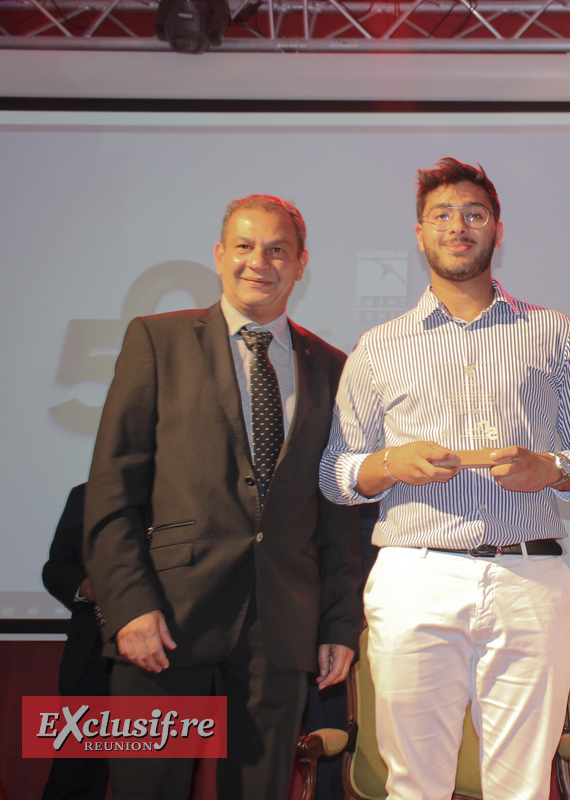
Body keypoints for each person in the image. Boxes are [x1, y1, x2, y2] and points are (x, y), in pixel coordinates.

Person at [319, 157, 570, 800]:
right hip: (414, 574)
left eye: (474, 215)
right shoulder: (379, 347)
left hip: (528, 575)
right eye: (443, 216)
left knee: (524, 785)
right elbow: (336, 473)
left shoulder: (553, 332)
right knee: (415, 784)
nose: (459, 227)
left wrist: (550, 469)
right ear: (420, 233)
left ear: (497, 231)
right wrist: (391, 465)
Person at [83, 195, 362, 800]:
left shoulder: (335, 368)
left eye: (276, 250)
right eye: (244, 246)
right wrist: (128, 604)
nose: (258, 262)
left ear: (300, 263)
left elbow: (340, 515)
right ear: (218, 255)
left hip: (281, 629)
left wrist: (341, 621)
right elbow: (112, 489)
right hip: (162, 622)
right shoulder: (157, 341)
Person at [41, 482, 110, 800]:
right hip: (92, 661)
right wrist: (84, 586)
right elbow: (55, 569)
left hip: (164, 662)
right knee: (73, 779)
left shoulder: (186, 495)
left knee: (155, 777)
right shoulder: (85, 495)